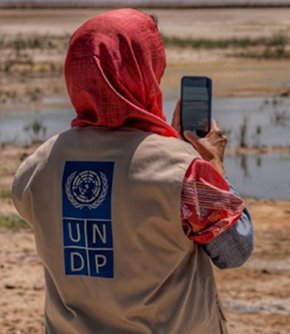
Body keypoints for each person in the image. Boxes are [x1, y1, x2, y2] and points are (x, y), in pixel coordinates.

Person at [10, 8, 253, 333]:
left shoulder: (37, 166)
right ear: (145, 71)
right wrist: (214, 168)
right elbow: (235, 250)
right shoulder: (183, 170)